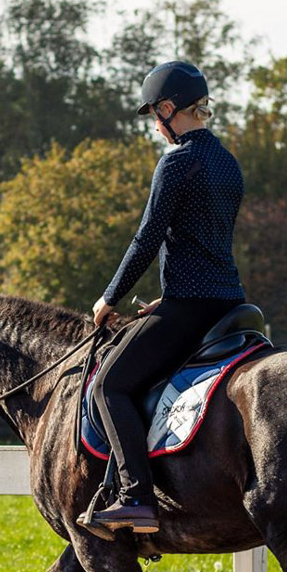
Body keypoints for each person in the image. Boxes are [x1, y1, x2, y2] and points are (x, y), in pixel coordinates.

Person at [84, 60, 245, 535]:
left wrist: (109, 298)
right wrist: (166, 297)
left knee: (107, 387)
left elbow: (147, 238)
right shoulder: (227, 162)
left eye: (155, 115)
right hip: (228, 304)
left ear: (171, 109)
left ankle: (134, 495)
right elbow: (204, 241)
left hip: (191, 308)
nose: (155, 125)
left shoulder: (177, 161)